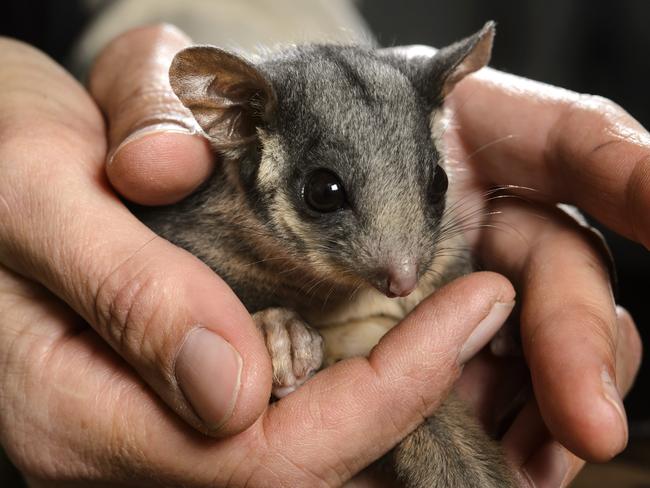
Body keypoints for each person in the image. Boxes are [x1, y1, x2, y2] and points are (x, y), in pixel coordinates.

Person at [0, 1, 645, 486]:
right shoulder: (209, 217)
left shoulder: (422, 237)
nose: (402, 269)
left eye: (431, 187)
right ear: (242, 127)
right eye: (327, 195)